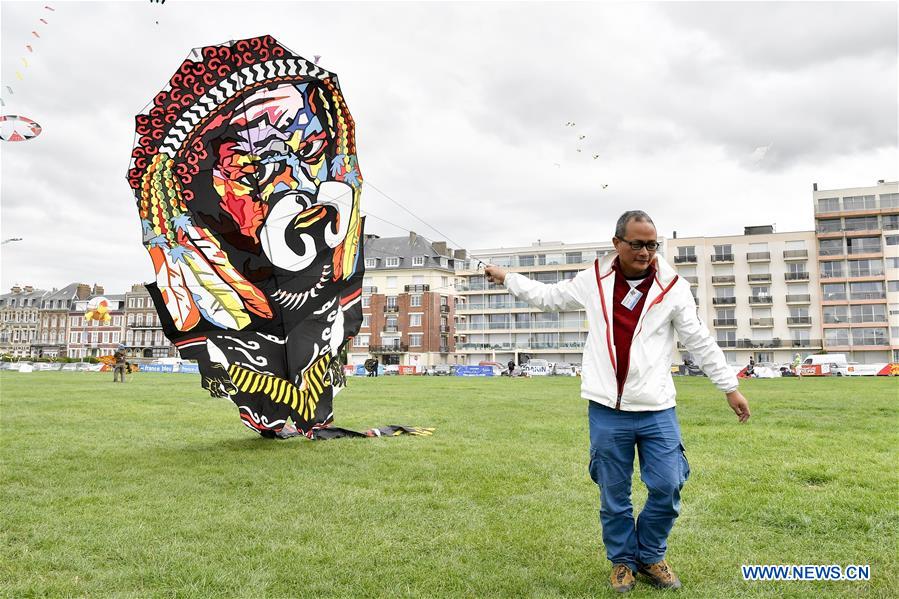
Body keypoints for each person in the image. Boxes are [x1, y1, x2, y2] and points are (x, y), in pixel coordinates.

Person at [485, 210, 750, 593]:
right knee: (614, 493)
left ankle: (651, 554)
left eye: (652, 244)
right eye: (637, 244)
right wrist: (507, 276)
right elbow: (547, 297)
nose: (646, 252)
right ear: (617, 244)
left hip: (657, 407)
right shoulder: (593, 279)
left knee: (669, 483)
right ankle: (623, 561)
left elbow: (699, 340)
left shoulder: (673, 286)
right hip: (607, 409)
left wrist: (729, 387)